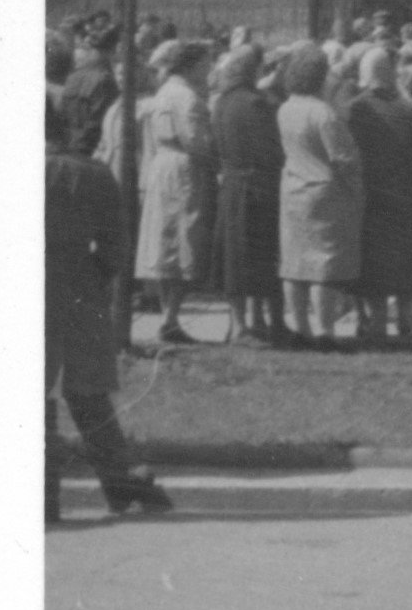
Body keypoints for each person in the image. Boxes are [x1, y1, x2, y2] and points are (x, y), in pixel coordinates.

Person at [47, 95, 173, 523]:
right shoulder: (94, 174)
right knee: (89, 395)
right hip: (80, 290)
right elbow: (116, 250)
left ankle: (41, 493)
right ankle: (123, 483)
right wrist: (93, 276)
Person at [343, 47, 412, 342]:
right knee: (411, 266)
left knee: (374, 267)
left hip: (372, 198)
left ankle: (376, 325)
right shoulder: (409, 109)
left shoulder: (354, 109)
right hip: (410, 197)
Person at [275, 47, 363, 349]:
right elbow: (342, 158)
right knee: (323, 265)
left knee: (294, 263)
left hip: (293, 186)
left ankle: (300, 327)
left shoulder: (286, 107)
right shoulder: (323, 113)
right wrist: (356, 187)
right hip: (324, 189)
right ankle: (325, 331)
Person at [132, 42, 218, 346]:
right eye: (205, 64)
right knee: (183, 237)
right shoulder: (188, 97)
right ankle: (170, 317)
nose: (208, 70)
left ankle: (170, 316)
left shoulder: (163, 92)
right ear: (192, 65)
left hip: (162, 165)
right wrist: (215, 159)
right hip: (183, 167)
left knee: (168, 240)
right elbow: (197, 140)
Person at [209, 44, 288, 347]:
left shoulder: (222, 102)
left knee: (235, 258)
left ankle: (242, 323)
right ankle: (249, 325)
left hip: (231, 184)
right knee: (257, 257)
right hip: (257, 186)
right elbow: (270, 149)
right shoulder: (257, 104)